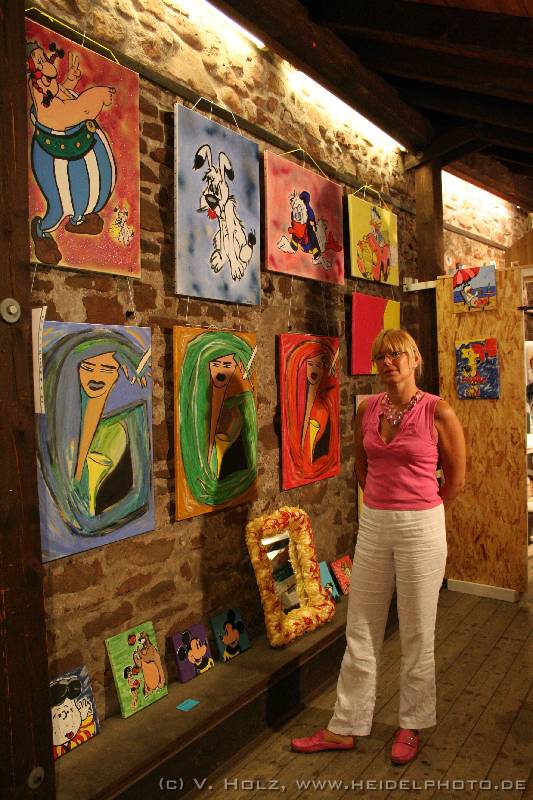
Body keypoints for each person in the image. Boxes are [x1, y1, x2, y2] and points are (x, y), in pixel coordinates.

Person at [291, 328, 466, 764]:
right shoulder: (368, 408)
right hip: (374, 524)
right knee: (361, 627)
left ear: (415, 359)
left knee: (417, 630)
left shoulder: (438, 411)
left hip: (421, 527)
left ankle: (412, 723)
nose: (388, 363)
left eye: (396, 355)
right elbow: (362, 467)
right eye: (381, 357)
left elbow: (456, 479)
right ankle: (345, 725)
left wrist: (421, 509)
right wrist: (381, 504)